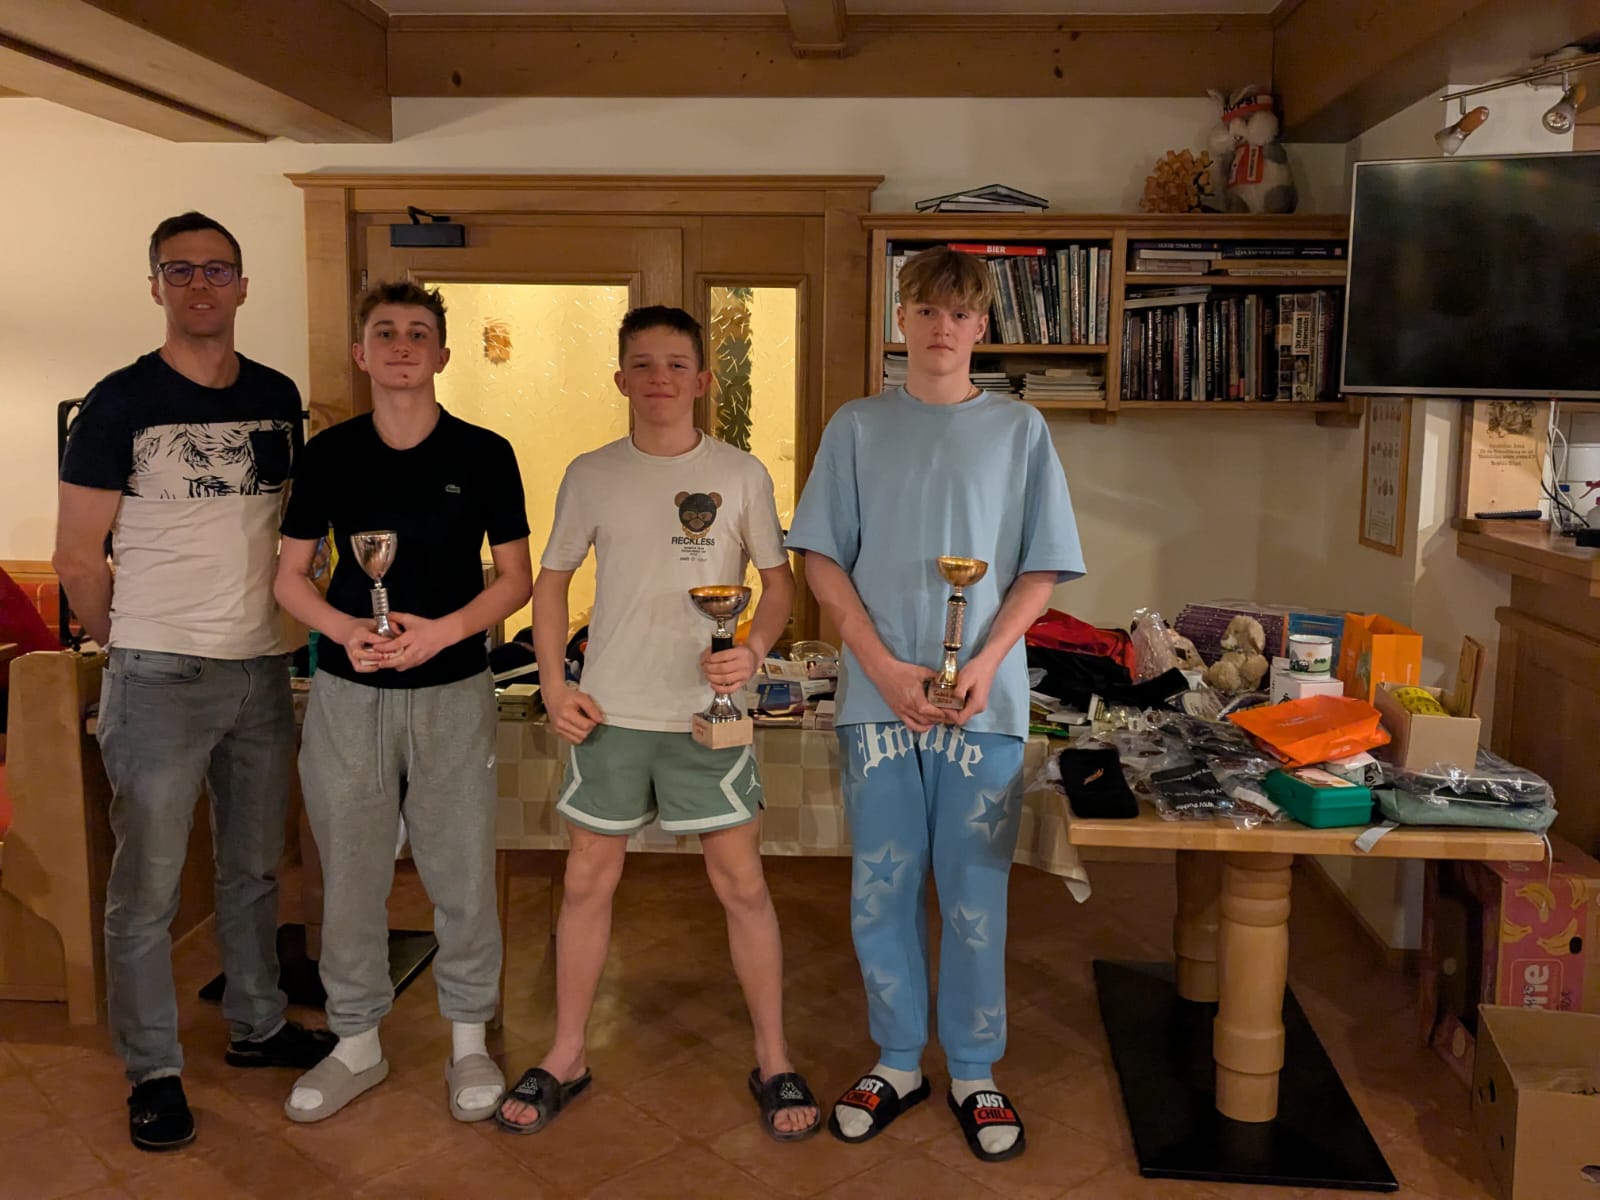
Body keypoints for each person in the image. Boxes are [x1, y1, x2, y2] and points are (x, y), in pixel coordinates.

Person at [785, 246, 1084, 1163]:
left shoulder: (1021, 430)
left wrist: (988, 661)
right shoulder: (857, 426)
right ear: (901, 320)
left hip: (983, 706)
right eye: (925, 310)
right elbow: (821, 557)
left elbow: (1041, 567)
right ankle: (897, 1059)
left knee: (973, 892)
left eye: (958, 313)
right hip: (879, 700)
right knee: (880, 887)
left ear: (981, 325)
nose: (941, 328)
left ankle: (976, 1070)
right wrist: (879, 666)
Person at [493, 305, 819, 1141]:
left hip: (708, 714)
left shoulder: (741, 473)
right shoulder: (591, 474)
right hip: (610, 711)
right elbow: (553, 582)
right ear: (620, 379)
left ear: (702, 380)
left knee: (742, 885)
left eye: (676, 364)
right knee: (586, 882)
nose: (659, 378)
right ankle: (568, 1052)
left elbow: (778, 583)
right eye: (642, 364)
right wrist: (556, 684)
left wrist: (752, 652)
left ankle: (774, 1056)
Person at [54, 211, 333, 1153]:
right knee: (148, 892)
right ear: (156, 287)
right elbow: (77, 557)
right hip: (158, 675)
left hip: (262, 667)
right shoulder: (117, 404)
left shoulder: (277, 395)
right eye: (181, 271)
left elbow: (287, 528)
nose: (201, 285)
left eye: (218, 270)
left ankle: (257, 1024)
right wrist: (131, 647)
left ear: (244, 285)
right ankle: (154, 1071)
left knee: (255, 869)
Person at [274, 281, 532, 1123]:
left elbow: (516, 581)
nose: (401, 345)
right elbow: (290, 578)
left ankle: (468, 1040)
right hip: (349, 696)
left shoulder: (485, 453)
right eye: (384, 332)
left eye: (418, 333)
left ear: (442, 354)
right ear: (361, 353)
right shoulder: (328, 455)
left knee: (461, 872)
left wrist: (445, 632)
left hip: (453, 691)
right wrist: (346, 629)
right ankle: (357, 1042)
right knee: (350, 873)